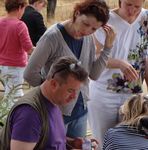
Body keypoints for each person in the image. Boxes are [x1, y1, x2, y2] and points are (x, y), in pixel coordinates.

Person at [23, 0, 116, 139]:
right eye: (85, 24)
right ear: (77, 13)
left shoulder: (88, 38)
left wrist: (107, 48)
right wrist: (51, 93)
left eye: (94, 29)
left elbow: (94, 75)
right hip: (55, 111)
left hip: (80, 112)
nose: (87, 31)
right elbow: (29, 74)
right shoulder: (52, 37)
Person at [88, 0, 148, 148]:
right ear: (120, 1)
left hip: (134, 98)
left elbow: (146, 58)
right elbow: (93, 58)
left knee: (130, 143)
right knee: (103, 142)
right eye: (128, 5)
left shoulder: (146, 19)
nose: (132, 10)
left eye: (137, 6)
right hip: (103, 94)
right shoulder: (105, 20)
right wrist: (119, 63)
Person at [0, 56, 88, 150]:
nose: (74, 96)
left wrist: (71, 143)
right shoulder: (29, 114)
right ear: (54, 84)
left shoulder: (53, 100)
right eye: (70, 91)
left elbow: (47, 139)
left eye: (77, 91)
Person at [0, 0, 33, 99]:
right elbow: (29, 49)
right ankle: (11, 115)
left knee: (9, 93)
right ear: (19, 7)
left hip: (2, 66)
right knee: (14, 97)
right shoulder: (20, 25)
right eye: (24, 9)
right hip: (15, 67)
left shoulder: (0, 21)